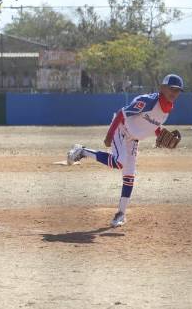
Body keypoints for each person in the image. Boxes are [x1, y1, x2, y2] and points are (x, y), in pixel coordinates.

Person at [65, 74, 185, 227]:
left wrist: (160, 134)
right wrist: (109, 135)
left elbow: (153, 125)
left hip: (133, 139)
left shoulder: (167, 110)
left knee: (129, 176)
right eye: (171, 89)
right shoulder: (148, 102)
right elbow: (122, 113)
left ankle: (120, 214)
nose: (174, 93)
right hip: (122, 129)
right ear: (162, 88)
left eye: (178, 91)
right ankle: (82, 151)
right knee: (119, 162)